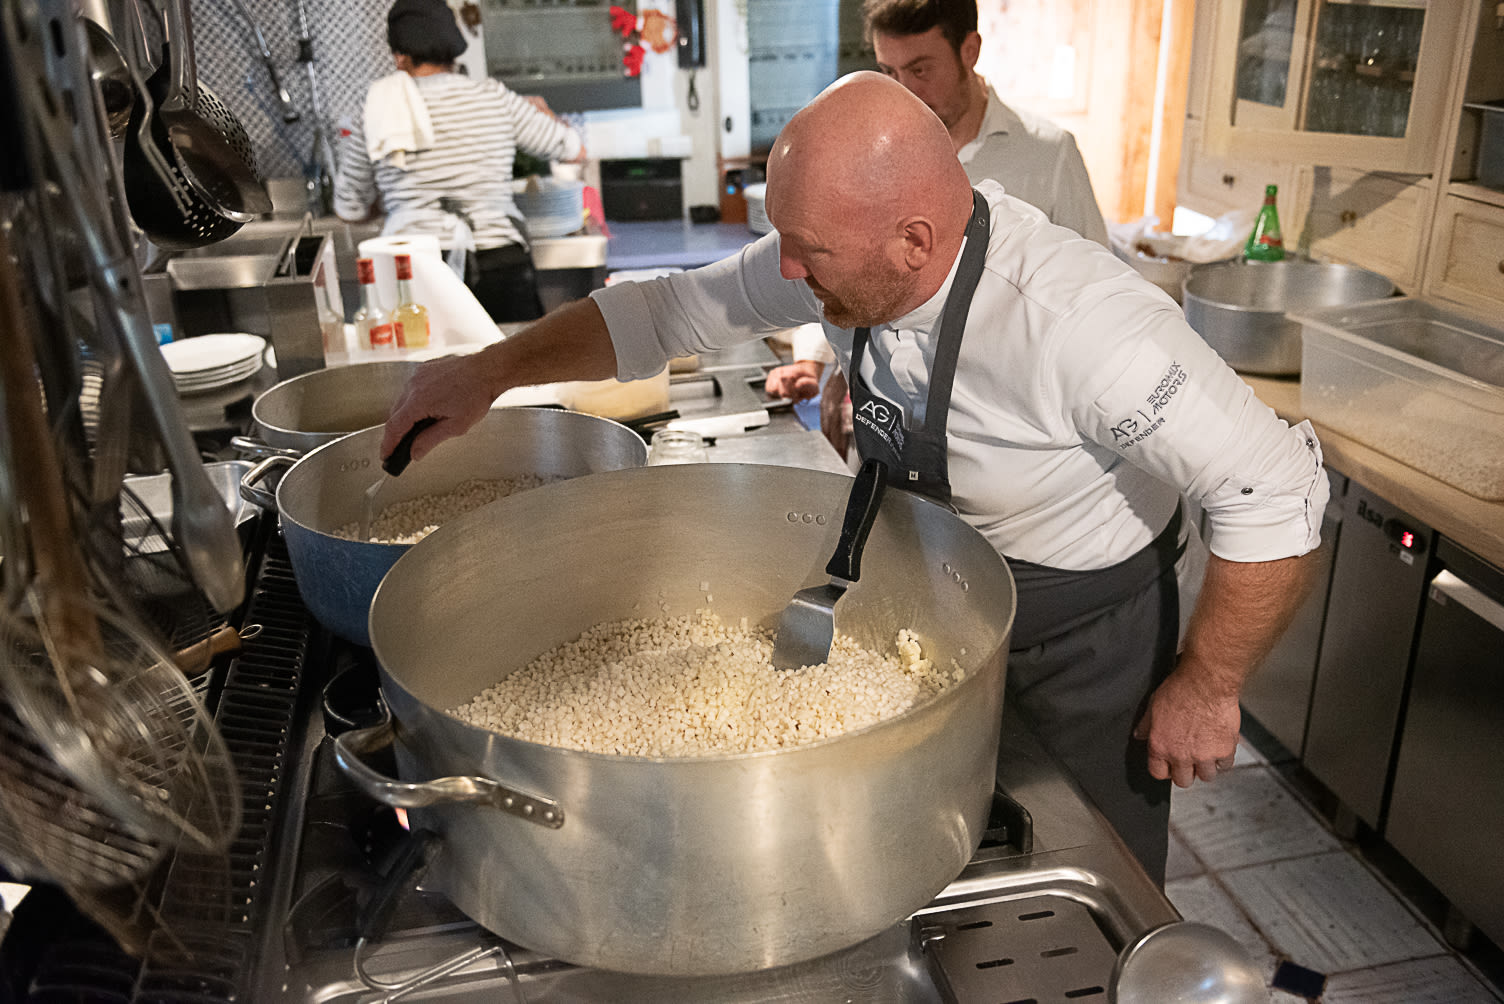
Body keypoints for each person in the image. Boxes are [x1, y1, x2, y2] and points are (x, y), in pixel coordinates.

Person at [380, 72, 1328, 886]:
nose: (787, 272)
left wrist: (1209, 682)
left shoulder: (1085, 328)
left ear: (914, 242)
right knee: (918, 852)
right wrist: (491, 370)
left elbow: (1273, 490)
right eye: (783, 240)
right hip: (930, 599)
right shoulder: (838, 250)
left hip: (1078, 636)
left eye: (811, 255)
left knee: (1079, 860)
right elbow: (668, 310)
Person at [766, 0, 1110, 458]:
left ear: (970, 50)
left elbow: (1092, 290)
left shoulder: (1048, 154)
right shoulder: (867, 149)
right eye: (890, 71)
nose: (904, 91)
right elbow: (833, 255)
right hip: (881, 411)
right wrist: (818, 359)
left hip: (1009, 429)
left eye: (920, 70)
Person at [333, 0, 586, 323]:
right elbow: (573, 149)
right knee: (514, 369)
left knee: (425, 372)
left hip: (412, 270)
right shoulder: (495, 97)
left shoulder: (373, 109)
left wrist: (397, 202)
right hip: (499, 263)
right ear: (455, 50)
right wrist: (544, 112)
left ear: (400, 57)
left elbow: (348, 208)